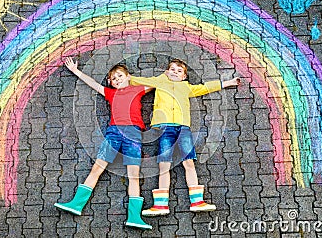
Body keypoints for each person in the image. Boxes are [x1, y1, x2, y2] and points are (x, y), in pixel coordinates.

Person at [130, 59, 240, 216]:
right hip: (165, 128)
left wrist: (227, 83)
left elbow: (205, 88)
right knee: (164, 165)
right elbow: (141, 81)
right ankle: (161, 205)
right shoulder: (160, 81)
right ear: (166, 72)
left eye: (179, 71)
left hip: (183, 129)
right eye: (172, 69)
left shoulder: (186, 87)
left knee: (189, 163)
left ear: (184, 77)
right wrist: (127, 78)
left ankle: (197, 202)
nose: (175, 72)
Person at [54, 57, 152, 230]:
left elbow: (158, 83)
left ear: (128, 77)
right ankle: (76, 204)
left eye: (120, 76)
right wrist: (76, 71)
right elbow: (92, 84)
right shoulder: (111, 93)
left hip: (133, 135)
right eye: (114, 79)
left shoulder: (137, 90)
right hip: (114, 132)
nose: (117, 80)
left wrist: (171, 76)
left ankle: (134, 217)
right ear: (111, 83)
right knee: (97, 168)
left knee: (133, 176)